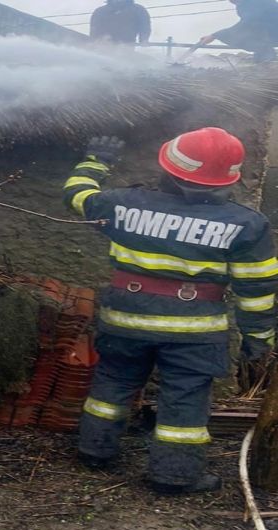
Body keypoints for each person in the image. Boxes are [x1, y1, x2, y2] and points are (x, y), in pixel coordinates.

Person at [63, 128, 278, 494]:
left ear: (170, 168)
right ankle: (175, 475)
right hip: (194, 334)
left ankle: (94, 451)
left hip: (124, 321)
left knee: (112, 384)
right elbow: (257, 288)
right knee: (185, 399)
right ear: (227, 180)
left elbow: (77, 196)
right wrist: (258, 338)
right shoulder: (246, 225)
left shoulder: (122, 203)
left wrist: (95, 162)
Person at [201, 0, 278, 63]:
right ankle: (263, 54)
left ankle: (267, 55)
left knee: (240, 35)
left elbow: (247, 23)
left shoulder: (254, 2)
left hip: (273, 30)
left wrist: (214, 35)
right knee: (241, 34)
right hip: (269, 31)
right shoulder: (242, 6)